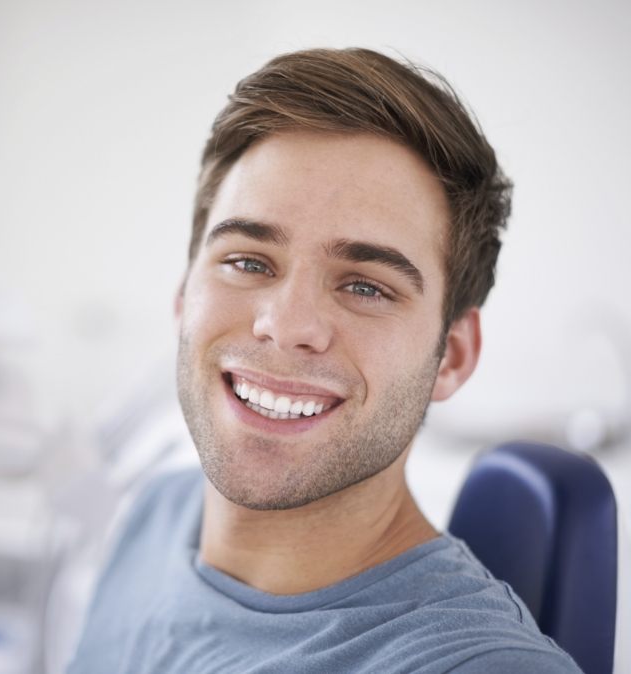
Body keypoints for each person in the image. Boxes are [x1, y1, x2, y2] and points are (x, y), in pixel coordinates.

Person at [67, 48, 582, 673]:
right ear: (184, 292)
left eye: (365, 286)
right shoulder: (157, 513)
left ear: (452, 356)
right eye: (248, 262)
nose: (284, 326)